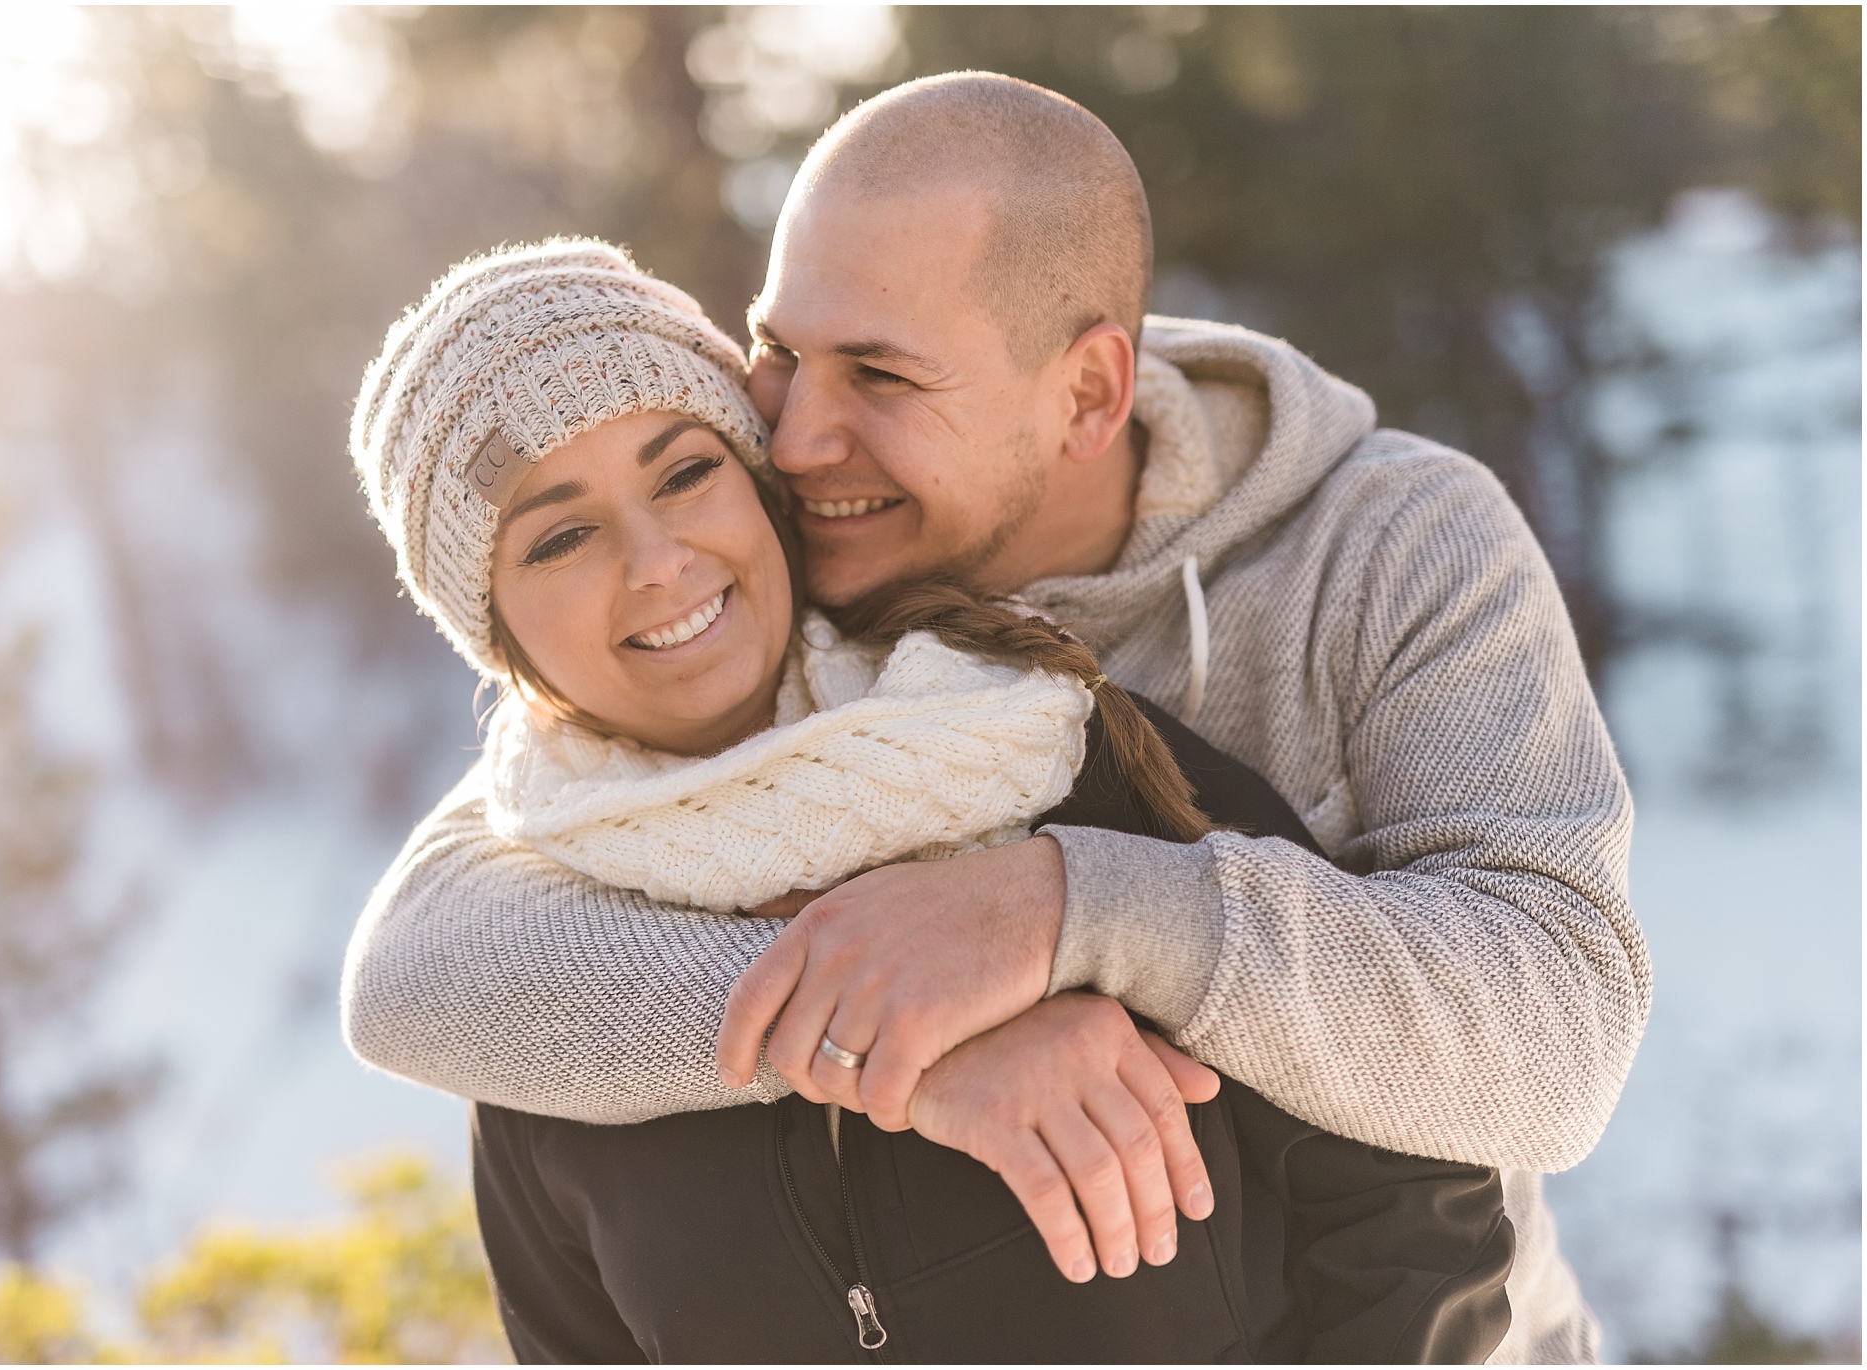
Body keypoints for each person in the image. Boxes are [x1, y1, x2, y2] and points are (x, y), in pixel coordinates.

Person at [343, 72, 1648, 1363]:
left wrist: (1067, 910)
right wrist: (890, 1037)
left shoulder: (1391, 546)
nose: (793, 437)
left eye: (880, 376)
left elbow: (1559, 1031)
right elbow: (431, 955)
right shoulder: (780, 587)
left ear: (1086, 394)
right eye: (783, 352)